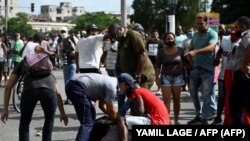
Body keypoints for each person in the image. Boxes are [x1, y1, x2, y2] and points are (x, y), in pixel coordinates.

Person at [1, 46, 68, 141]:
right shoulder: (46, 64)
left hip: (29, 90)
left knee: (24, 123)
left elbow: (8, 87)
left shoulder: (23, 62)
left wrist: (5, 110)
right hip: (49, 91)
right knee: (49, 121)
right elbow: (57, 92)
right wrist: (62, 113)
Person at [104, 73, 171, 141]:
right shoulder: (143, 91)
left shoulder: (136, 92)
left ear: (123, 85)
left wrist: (115, 118)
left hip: (157, 123)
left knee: (121, 120)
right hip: (164, 122)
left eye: (118, 85)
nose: (118, 88)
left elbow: (139, 112)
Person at [108, 24, 155, 115]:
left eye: (114, 35)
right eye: (112, 36)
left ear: (120, 30)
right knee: (134, 105)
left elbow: (142, 55)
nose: (114, 38)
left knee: (141, 103)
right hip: (129, 77)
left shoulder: (133, 35)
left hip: (142, 75)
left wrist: (138, 75)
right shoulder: (121, 41)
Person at [185, 13, 218, 125]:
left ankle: (204, 118)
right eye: (197, 23)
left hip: (207, 70)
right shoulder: (195, 35)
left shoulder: (212, 33)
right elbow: (192, 46)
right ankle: (198, 115)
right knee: (193, 93)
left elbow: (211, 47)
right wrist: (190, 54)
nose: (199, 25)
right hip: (195, 68)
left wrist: (196, 52)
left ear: (206, 23)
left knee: (206, 95)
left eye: (201, 23)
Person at [65, 73, 117, 141]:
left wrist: (109, 115)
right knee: (87, 122)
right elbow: (111, 111)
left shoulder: (109, 81)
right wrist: (116, 120)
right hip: (78, 87)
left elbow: (101, 106)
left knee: (90, 117)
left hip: (72, 85)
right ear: (122, 84)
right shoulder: (112, 88)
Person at [155, 32, 190, 125]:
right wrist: (156, 77)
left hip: (178, 77)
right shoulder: (161, 51)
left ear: (174, 39)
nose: (170, 40)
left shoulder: (180, 50)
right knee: (166, 100)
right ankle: (167, 121)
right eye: (168, 39)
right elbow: (158, 66)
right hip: (165, 77)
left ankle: (176, 120)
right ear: (165, 40)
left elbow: (186, 63)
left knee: (176, 99)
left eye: (171, 38)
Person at [229, 16, 250, 125]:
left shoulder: (247, 35)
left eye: (236, 27)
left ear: (243, 27)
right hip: (241, 76)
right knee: (238, 106)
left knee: (235, 107)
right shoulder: (244, 37)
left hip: (243, 77)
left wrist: (245, 64)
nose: (234, 29)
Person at [58, 26, 79, 104]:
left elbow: (78, 48)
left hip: (73, 63)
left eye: (64, 31)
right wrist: (60, 61)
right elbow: (59, 52)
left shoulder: (72, 38)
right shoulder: (60, 41)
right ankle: (69, 98)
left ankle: (72, 98)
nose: (63, 33)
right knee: (66, 82)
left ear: (67, 31)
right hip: (65, 64)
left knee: (71, 82)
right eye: (61, 32)